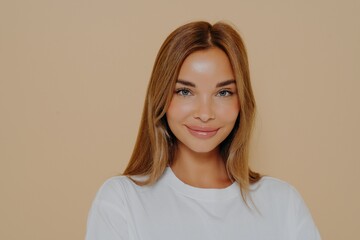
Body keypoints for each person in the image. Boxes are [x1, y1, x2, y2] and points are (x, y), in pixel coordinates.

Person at [85, 21, 321, 240]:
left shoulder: (282, 203)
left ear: (242, 102)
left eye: (223, 93)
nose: (205, 113)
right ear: (161, 98)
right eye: (185, 92)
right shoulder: (122, 200)